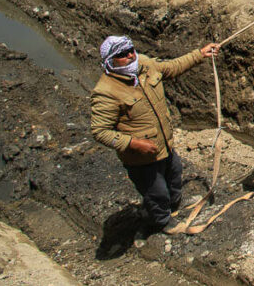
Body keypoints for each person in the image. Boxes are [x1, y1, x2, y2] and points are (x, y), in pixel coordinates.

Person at [90, 35, 221, 234]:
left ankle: (172, 205)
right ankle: (162, 221)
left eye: (131, 50)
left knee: (175, 173)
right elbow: (100, 131)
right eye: (123, 54)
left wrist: (199, 54)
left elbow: (172, 67)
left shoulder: (144, 65)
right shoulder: (106, 92)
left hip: (164, 145)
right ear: (110, 61)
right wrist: (134, 143)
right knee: (156, 191)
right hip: (141, 157)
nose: (130, 55)